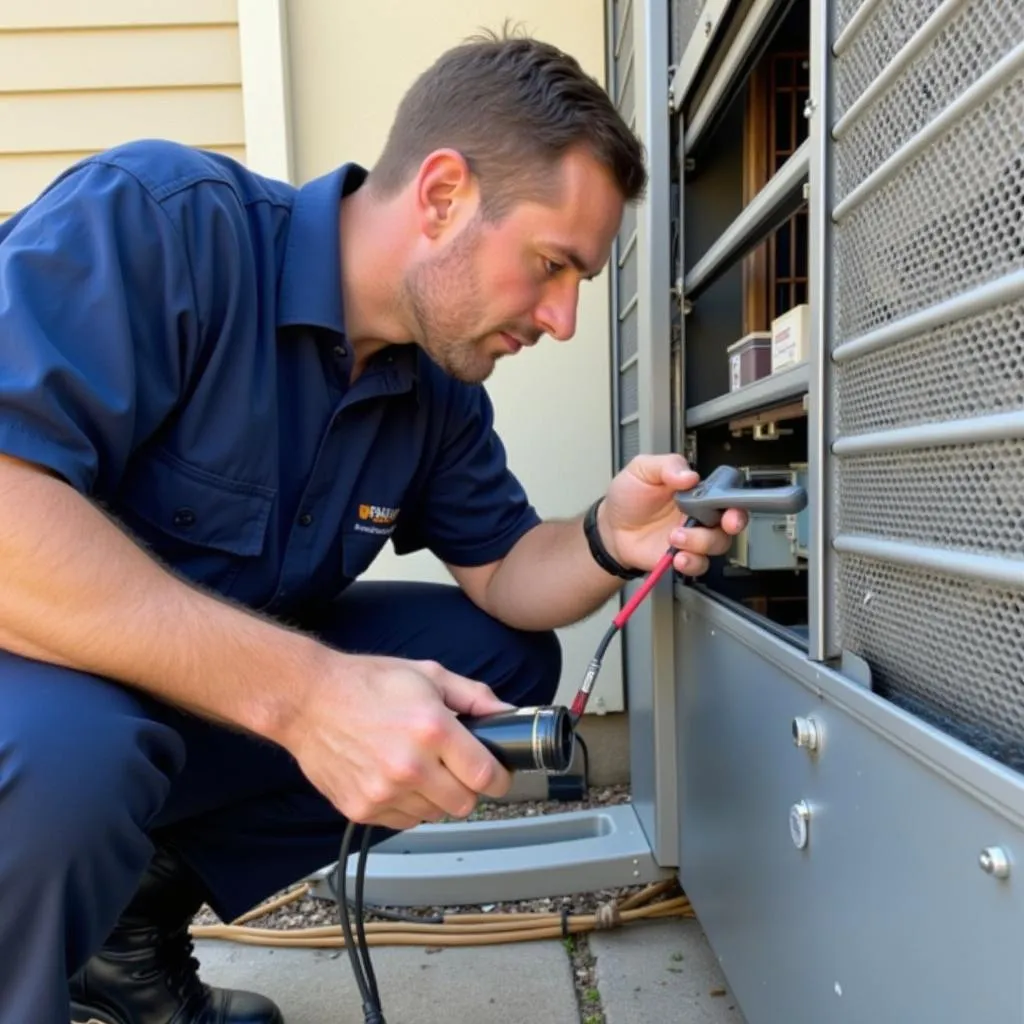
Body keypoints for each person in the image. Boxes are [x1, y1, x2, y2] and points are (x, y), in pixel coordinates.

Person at [0, 28, 745, 1024]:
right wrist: (311, 699)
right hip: (35, 683)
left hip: (181, 695)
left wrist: (613, 535)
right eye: (551, 266)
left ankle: (124, 932)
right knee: (77, 758)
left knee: (494, 670)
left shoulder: (429, 387)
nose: (564, 320)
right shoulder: (163, 225)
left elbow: (505, 570)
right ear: (442, 196)